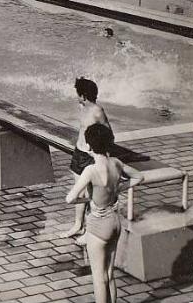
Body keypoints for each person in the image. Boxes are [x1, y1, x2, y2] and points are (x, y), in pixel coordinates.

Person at [66, 124, 143, 303]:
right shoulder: (116, 163)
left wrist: (88, 200)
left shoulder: (90, 170)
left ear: (88, 146)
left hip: (98, 224)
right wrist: (119, 188)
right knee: (109, 274)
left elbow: (70, 198)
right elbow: (139, 177)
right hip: (115, 223)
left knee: (98, 279)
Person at [61, 77, 112, 239]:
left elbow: (109, 134)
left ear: (83, 96)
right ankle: (78, 225)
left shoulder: (98, 111)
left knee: (91, 193)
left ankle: (90, 230)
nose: (77, 97)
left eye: (78, 94)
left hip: (89, 155)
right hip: (79, 153)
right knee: (80, 191)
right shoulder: (83, 106)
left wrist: (98, 152)